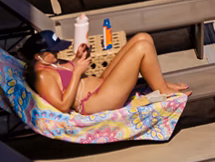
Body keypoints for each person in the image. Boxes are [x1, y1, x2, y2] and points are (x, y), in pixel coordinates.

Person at [19, 30, 188, 115]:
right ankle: (163, 90)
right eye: (53, 52)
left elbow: (69, 70)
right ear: (38, 56)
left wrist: (78, 59)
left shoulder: (51, 63)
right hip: (95, 102)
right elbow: (63, 105)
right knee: (142, 48)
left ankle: (161, 84)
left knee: (142, 38)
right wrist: (77, 72)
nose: (57, 55)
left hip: (100, 86)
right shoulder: (43, 76)